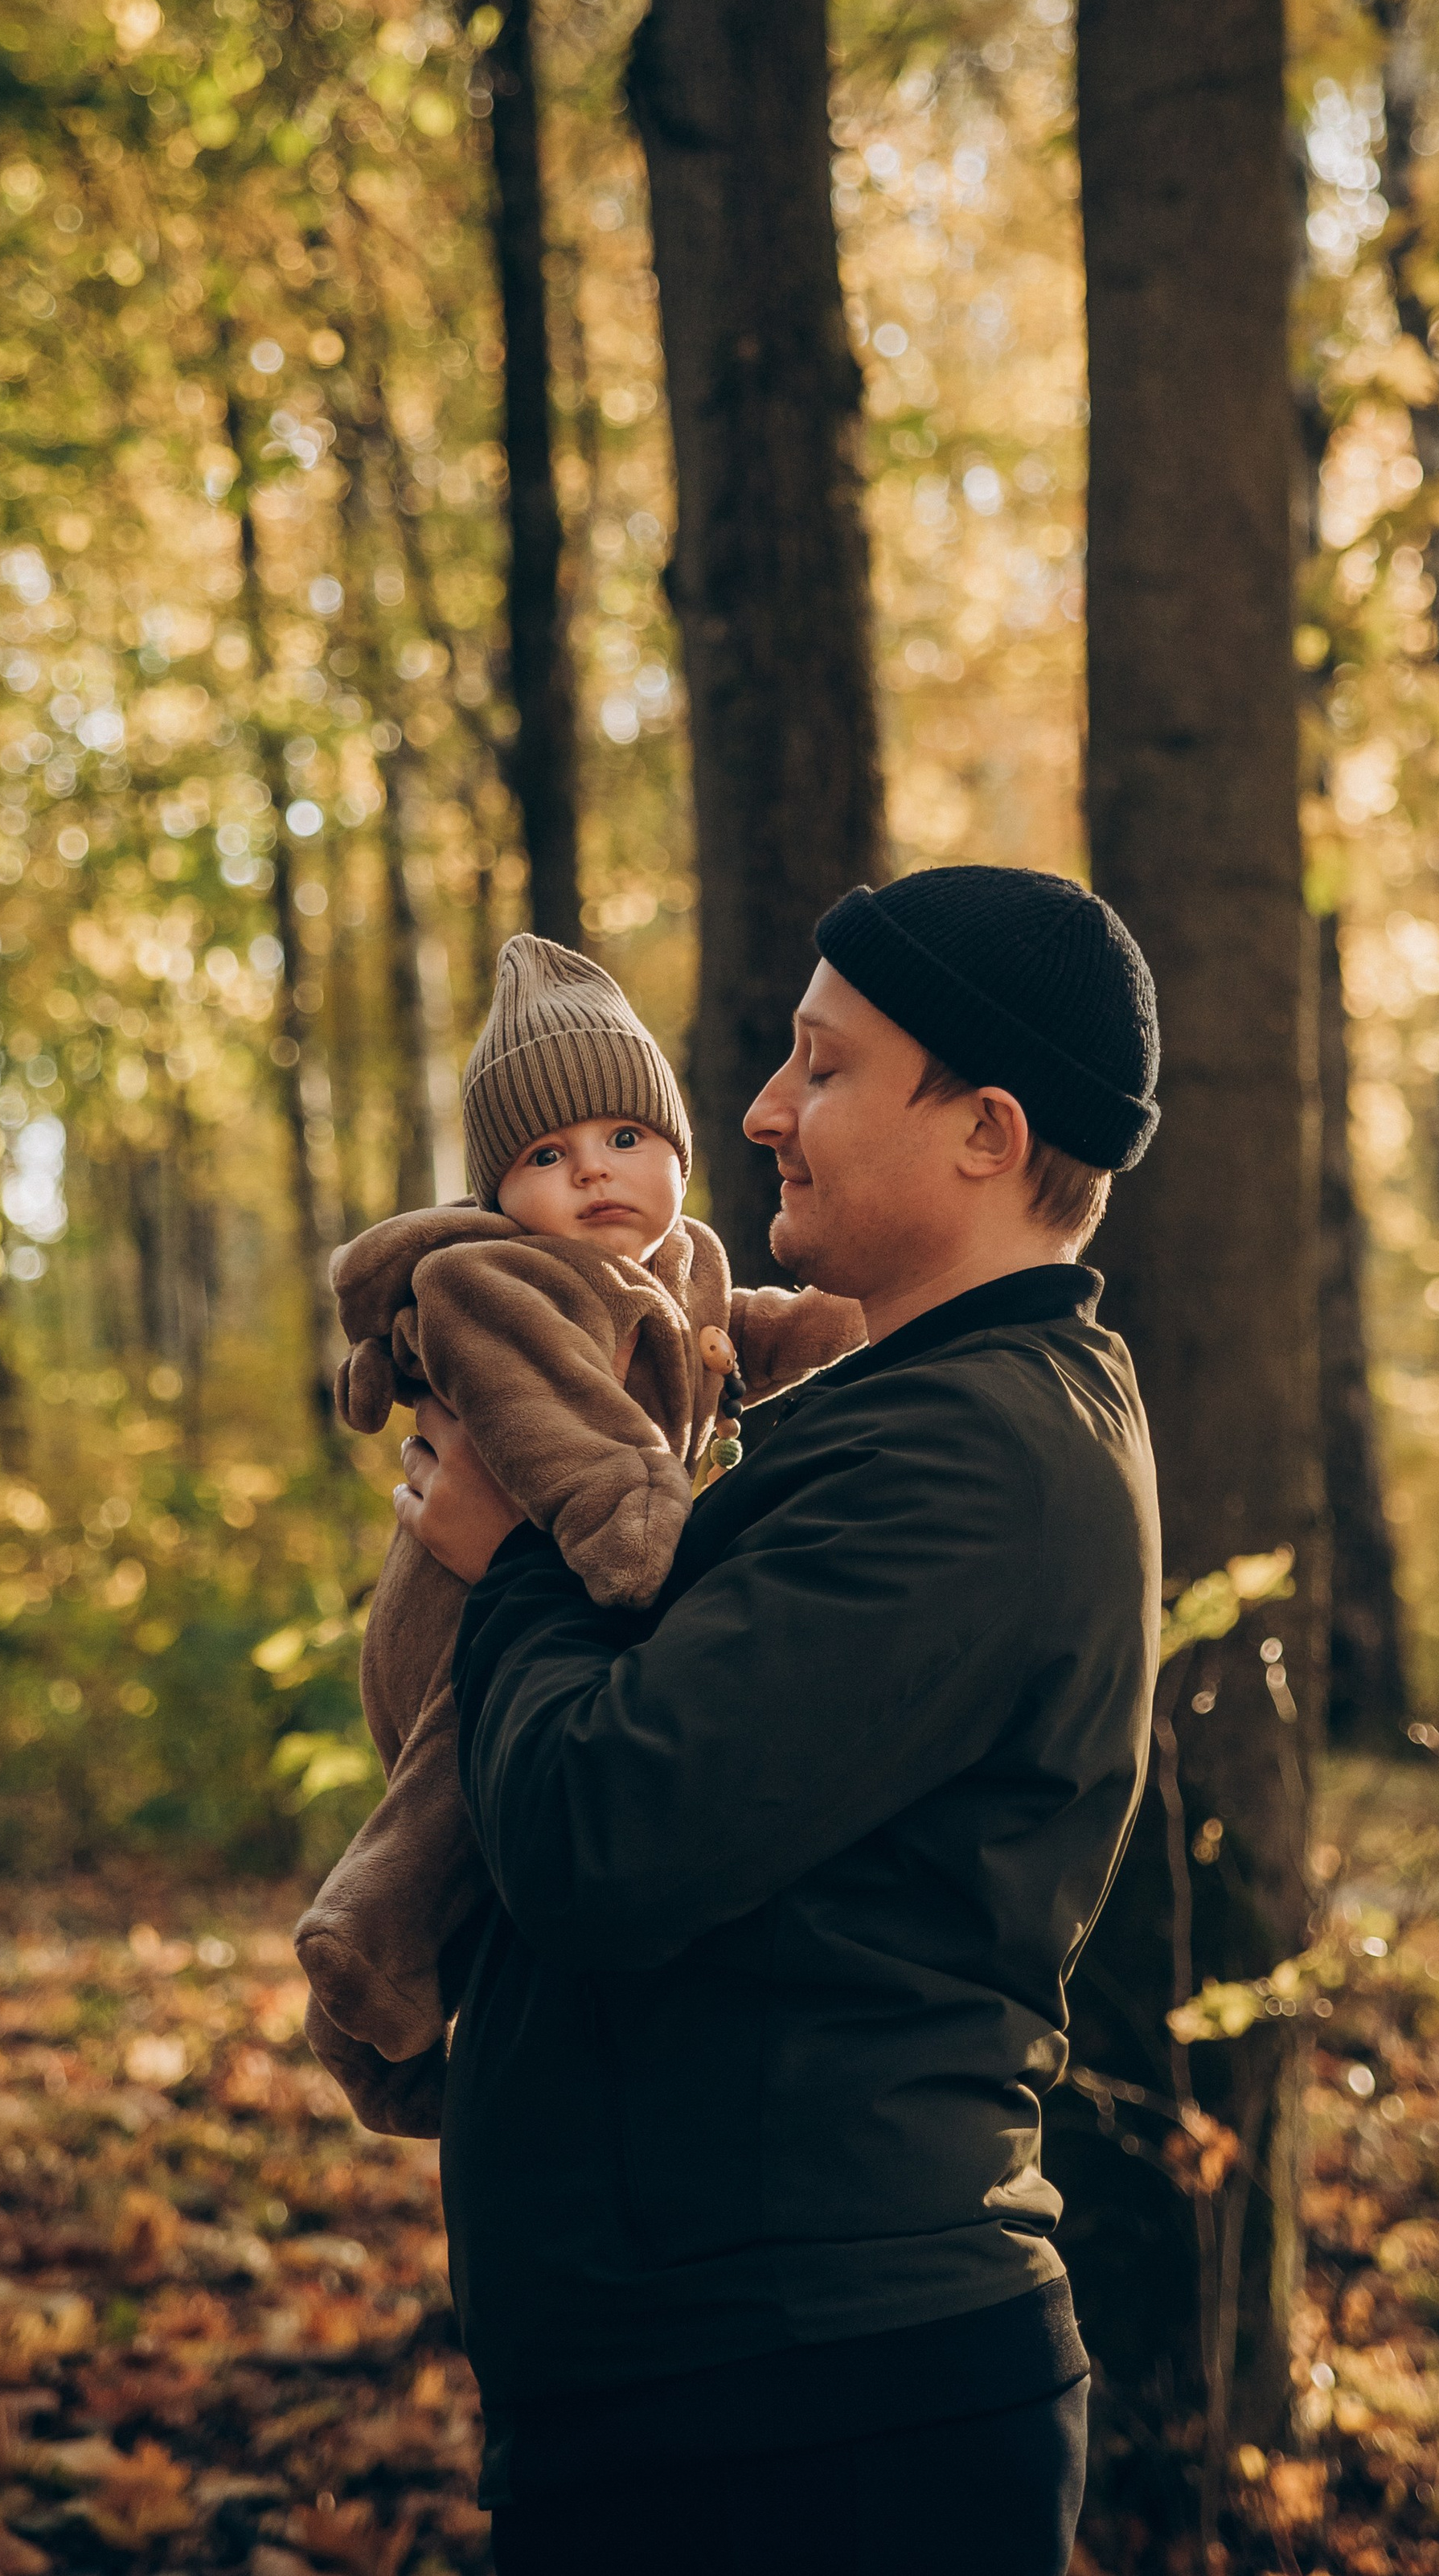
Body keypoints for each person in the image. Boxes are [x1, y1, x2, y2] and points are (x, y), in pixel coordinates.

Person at [397, 866, 1163, 2576]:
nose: (755, 1112)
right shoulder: (904, 1414)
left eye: (818, 1069)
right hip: (716, 2392)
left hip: (811, 2418)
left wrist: (513, 1541)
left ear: (982, 1129)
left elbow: (600, 1833)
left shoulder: (971, 1466)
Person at [296, 934, 860, 2126]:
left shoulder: (684, 1261)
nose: (595, 1175)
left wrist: (828, 1329)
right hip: (456, 1603)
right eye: (547, 1155)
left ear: (675, 1153)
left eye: (624, 1140)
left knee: (514, 1835)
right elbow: (556, 1423)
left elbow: (727, 1338)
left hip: (555, 1575)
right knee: (454, 1783)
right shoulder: (497, 1284)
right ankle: (362, 1967)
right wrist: (645, 1530)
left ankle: (416, 2025)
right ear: (501, 1189)